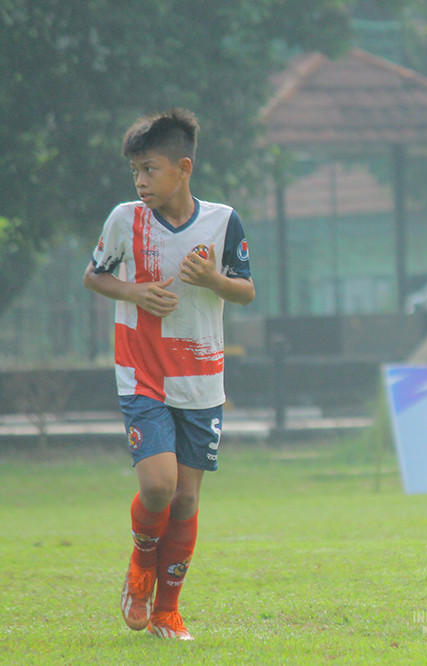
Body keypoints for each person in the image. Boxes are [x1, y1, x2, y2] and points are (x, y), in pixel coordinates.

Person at [83, 108, 255, 639]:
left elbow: (246, 290)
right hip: (142, 372)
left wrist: (214, 279)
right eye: (134, 170)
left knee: (186, 498)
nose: (139, 181)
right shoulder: (124, 219)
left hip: (201, 378)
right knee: (159, 486)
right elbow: (94, 276)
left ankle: (166, 609)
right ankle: (140, 569)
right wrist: (133, 291)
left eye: (149, 169)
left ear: (183, 167)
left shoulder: (223, 221)